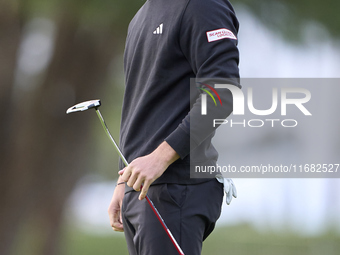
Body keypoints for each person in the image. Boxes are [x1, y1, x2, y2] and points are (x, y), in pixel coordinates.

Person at [108, 0, 240, 254]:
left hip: (177, 189)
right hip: (141, 190)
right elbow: (140, 103)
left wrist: (161, 157)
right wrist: (122, 181)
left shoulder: (203, 6)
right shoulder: (141, 15)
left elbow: (223, 93)